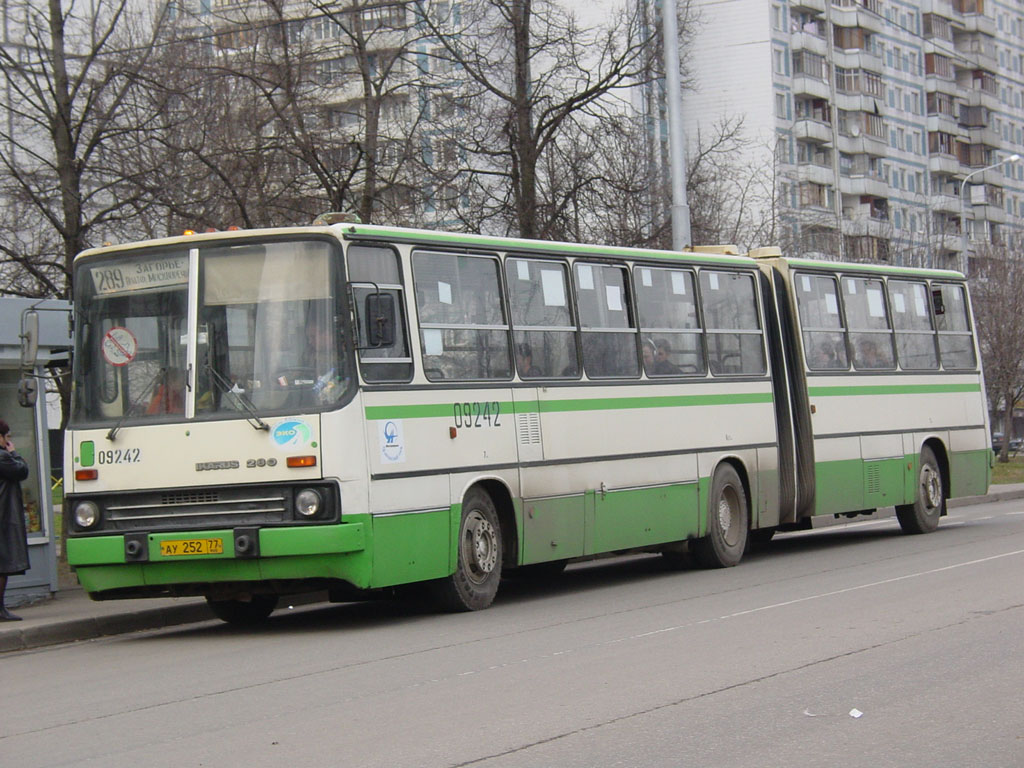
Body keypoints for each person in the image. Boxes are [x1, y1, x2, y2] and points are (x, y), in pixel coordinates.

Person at [0, 419, 30, 621]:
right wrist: (14, 452)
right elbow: (22, 471)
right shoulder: (3, 457)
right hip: (3, 517)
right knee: (3, 564)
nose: (9, 441)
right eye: (7, 437)